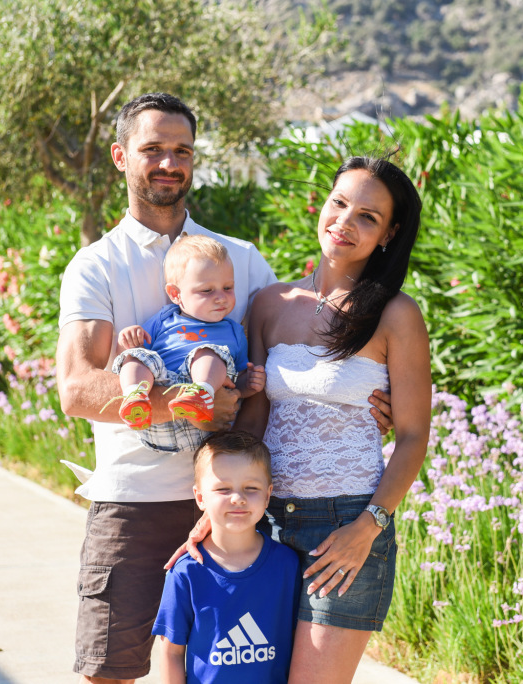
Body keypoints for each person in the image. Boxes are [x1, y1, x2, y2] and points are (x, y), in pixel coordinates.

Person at [56, 92, 395, 684]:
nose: (168, 162)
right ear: (119, 156)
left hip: (237, 507)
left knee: (238, 672)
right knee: (107, 670)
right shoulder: (96, 266)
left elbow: (291, 346)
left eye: (181, 150)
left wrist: (361, 406)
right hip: (133, 499)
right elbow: (78, 389)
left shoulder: (238, 259)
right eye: (152, 149)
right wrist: (203, 402)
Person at [172, 155, 431, 683]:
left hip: (345, 527)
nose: (344, 221)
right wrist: (219, 506)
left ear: (388, 234)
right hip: (261, 522)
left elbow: (412, 437)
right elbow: (254, 420)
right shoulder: (270, 303)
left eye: (367, 216)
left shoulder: (396, 314)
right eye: (339, 203)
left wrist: (369, 526)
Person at [153, 430, 300, 684]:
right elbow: (171, 652)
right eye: (223, 489)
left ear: (268, 495)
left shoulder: (288, 564)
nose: (238, 498)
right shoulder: (186, 572)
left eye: (251, 488)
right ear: (200, 497)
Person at [109, 235, 265, 452]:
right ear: (175, 294)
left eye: (228, 288)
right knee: (136, 357)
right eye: (207, 291)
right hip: (156, 418)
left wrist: (248, 385)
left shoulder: (233, 331)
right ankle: (135, 397)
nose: (220, 297)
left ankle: (200, 392)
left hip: (204, 423)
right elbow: (130, 357)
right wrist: (129, 339)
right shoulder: (164, 319)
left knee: (209, 353)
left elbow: (234, 383)